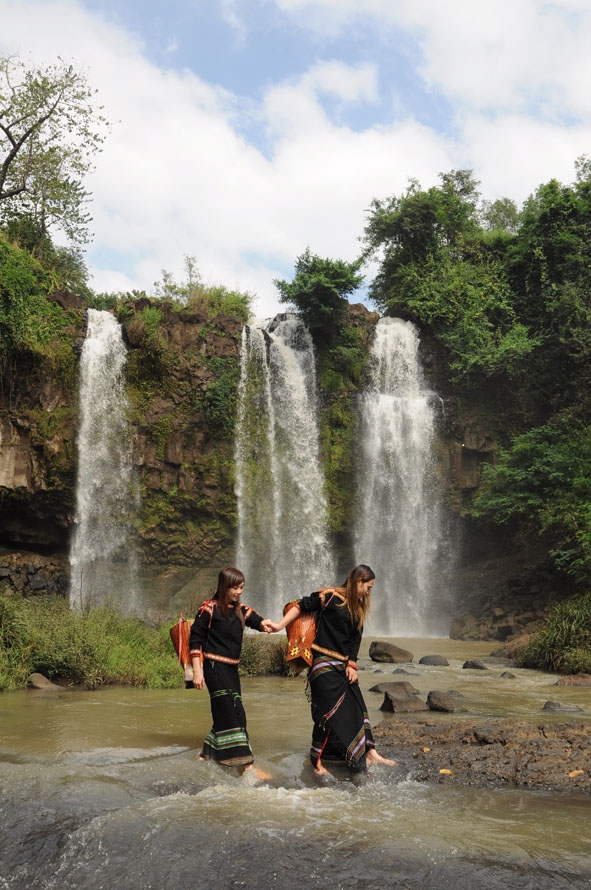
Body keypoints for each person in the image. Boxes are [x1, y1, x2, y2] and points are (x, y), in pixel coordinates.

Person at [268, 564, 395, 775]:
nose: (369, 592)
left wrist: (352, 664)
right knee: (325, 714)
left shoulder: (358, 608)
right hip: (322, 664)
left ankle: (370, 752)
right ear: (358, 582)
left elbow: (355, 640)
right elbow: (300, 606)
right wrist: (279, 626)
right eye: (368, 587)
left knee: (358, 705)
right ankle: (316, 760)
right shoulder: (329, 597)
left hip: (342, 666)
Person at [189, 566, 273, 774]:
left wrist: (268, 624)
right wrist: (197, 672)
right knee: (232, 714)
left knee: (231, 713)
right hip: (214, 668)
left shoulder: (241, 611)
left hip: (232, 671)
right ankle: (247, 765)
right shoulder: (208, 609)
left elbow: (259, 622)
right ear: (224, 586)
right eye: (235, 587)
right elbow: (195, 640)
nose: (238, 592)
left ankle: (206, 755)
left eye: (241, 587)